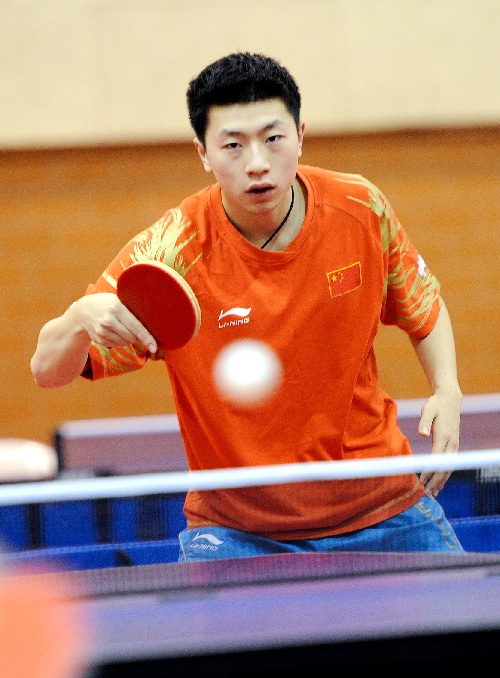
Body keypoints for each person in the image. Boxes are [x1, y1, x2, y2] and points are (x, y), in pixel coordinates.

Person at [31, 52, 464, 560]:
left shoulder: (361, 208)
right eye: (233, 145)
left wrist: (447, 387)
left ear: (300, 135)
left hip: (381, 505)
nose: (257, 162)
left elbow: (423, 308)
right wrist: (78, 319)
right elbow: (47, 371)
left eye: (273, 138)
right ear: (203, 153)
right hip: (239, 533)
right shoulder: (171, 251)